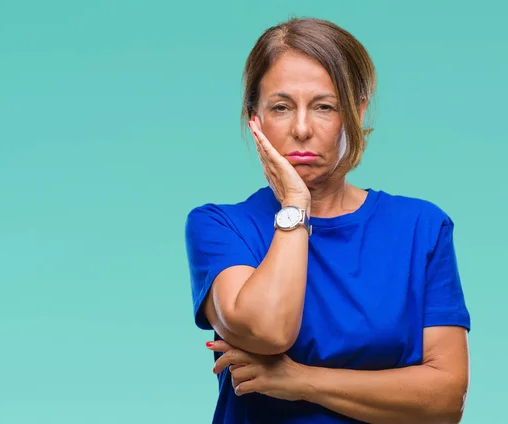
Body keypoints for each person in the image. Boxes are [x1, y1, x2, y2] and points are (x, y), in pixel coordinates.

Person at [184, 17, 471, 424]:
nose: (302, 129)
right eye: (281, 107)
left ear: (356, 111)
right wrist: (296, 205)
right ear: (255, 118)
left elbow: (445, 400)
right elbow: (269, 331)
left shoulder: (421, 227)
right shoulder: (220, 227)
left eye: (324, 106)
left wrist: (301, 381)